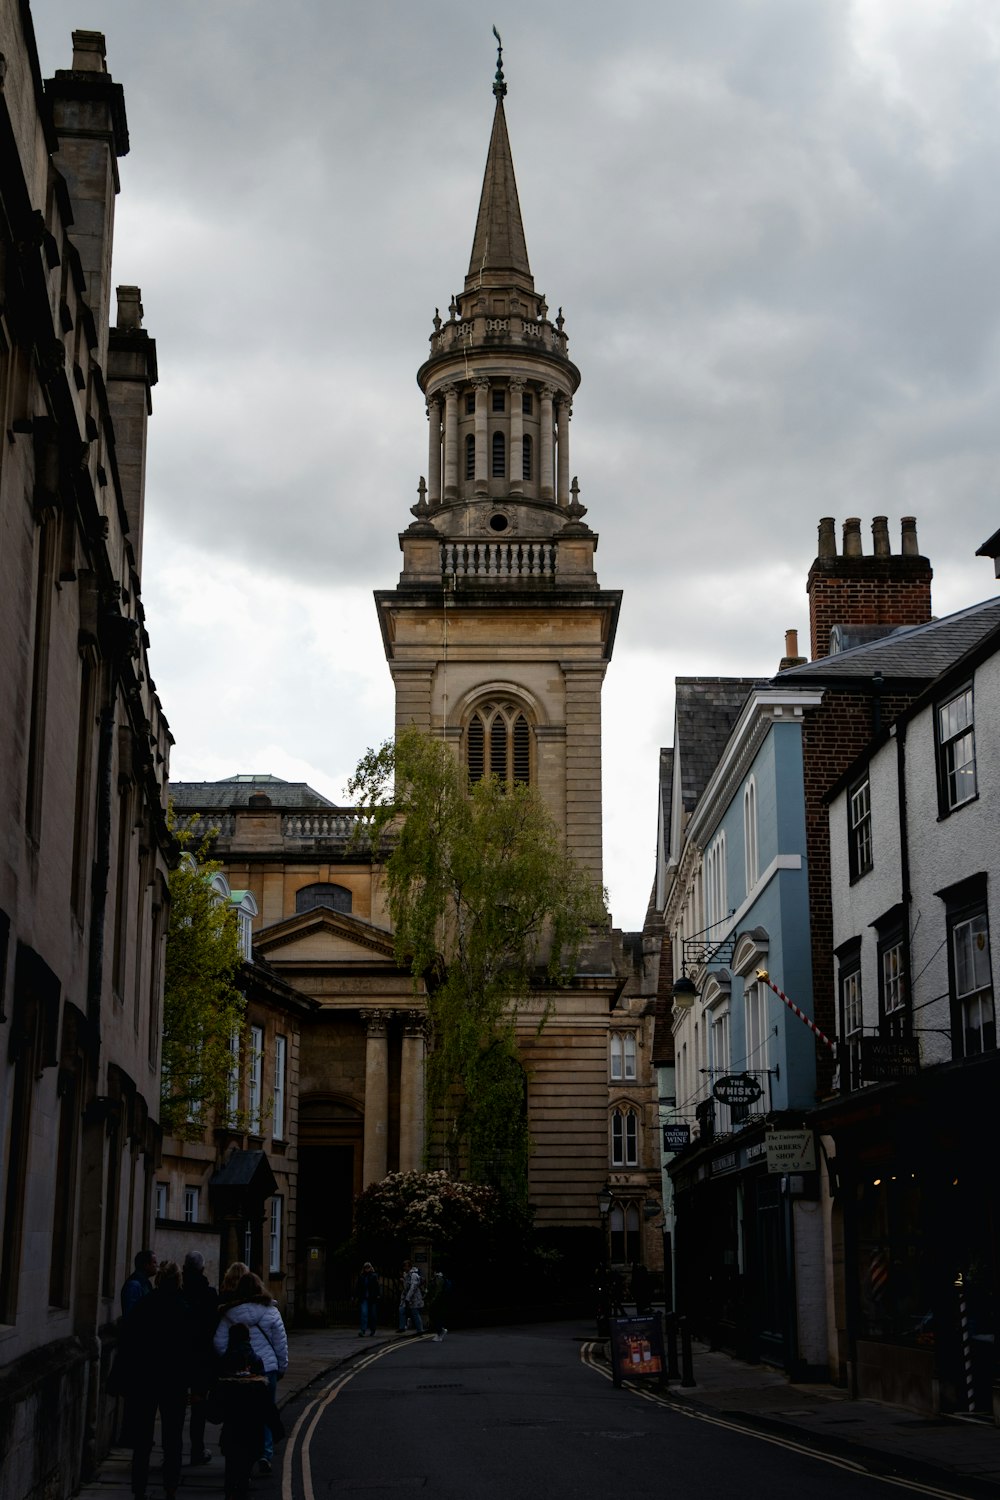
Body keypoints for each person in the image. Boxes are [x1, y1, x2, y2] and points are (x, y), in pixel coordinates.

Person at [114, 1260, 196, 1500]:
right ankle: (171, 1488)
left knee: (142, 1440)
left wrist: (123, 1379)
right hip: (174, 1382)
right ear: (178, 1281)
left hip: (145, 1381)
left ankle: (139, 1489)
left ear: (158, 1279)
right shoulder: (184, 1309)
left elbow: (129, 1344)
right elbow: (191, 1350)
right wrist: (195, 1383)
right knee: (173, 1439)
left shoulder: (144, 1306)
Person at [213, 1271, 288, 1475]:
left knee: (237, 1415)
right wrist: (282, 1367)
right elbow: (280, 1344)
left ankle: (239, 1454)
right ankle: (264, 1454)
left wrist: (233, 1360)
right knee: (265, 1411)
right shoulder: (271, 1312)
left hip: (237, 1373)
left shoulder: (230, 1313)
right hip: (267, 1370)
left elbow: (219, 1344)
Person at [209, 1324, 282, 1500]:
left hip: (231, 1430)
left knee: (230, 1469)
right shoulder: (256, 1361)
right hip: (252, 1430)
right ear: (248, 1339)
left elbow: (217, 1397)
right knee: (245, 1473)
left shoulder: (225, 1361)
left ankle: (230, 1491)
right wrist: (276, 1427)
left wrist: (212, 1413)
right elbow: (265, 1400)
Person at [182, 1251, 219, 1466]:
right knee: (198, 1405)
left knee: (174, 1406)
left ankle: (173, 1450)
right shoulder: (209, 1294)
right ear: (203, 1269)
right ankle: (197, 1449)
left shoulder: (179, 1291)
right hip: (201, 1358)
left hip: (179, 1357)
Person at [120, 1249, 157, 1317]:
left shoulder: (146, 1283)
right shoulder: (133, 1285)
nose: (156, 1266)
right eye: (154, 1262)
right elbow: (130, 1314)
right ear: (146, 1265)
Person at [397, 1260, 424, 1335]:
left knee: (415, 1312)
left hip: (414, 1297)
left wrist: (407, 1298)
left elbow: (413, 1287)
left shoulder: (414, 1275)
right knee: (401, 1310)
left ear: (409, 1266)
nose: (404, 1268)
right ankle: (402, 1327)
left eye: (405, 1266)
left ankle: (420, 1330)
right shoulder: (406, 1274)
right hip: (406, 1297)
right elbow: (406, 1287)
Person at [428, 1269, 452, 1342]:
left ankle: (439, 1334)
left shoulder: (439, 1278)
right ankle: (440, 1331)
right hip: (439, 1301)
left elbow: (438, 1291)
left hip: (438, 1301)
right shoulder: (437, 1278)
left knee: (436, 1316)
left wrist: (433, 1300)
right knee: (435, 1316)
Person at [357, 1261, 379, 1337]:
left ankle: (373, 1330)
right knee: (364, 1313)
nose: (367, 1269)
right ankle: (363, 1330)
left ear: (370, 1268)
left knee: (372, 1315)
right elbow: (358, 1288)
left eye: (368, 1267)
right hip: (364, 1298)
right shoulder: (361, 1276)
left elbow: (377, 1287)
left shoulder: (374, 1276)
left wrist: (378, 1295)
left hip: (372, 1298)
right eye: (366, 1267)